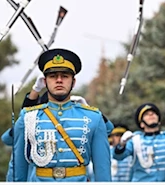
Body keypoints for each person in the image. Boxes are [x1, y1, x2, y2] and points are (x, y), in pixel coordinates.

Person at [13, 48, 111, 181]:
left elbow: (103, 169)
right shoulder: (28, 117)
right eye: (53, 76)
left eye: (65, 76)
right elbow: (18, 167)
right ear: (45, 82)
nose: (59, 80)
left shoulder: (93, 117)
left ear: (73, 82)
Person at [112, 103, 165, 181]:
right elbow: (118, 157)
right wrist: (121, 144)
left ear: (159, 121)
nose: (151, 115)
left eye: (154, 113)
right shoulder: (135, 140)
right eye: (146, 114)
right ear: (141, 124)